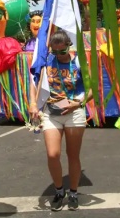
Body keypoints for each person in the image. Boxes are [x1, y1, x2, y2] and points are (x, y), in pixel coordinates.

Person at [29, 30, 91, 211]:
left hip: (74, 112)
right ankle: (58, 191)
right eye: (54, 51)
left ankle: (73, 192)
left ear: (68, 47)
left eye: (61, 51)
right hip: (51, 111)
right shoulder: (45, 61)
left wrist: (78, 102)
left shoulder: (79, 62)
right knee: (52, 154)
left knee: (73, 155)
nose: (57, 55)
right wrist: (33, 103)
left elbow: (92, 88)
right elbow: (34, 83)